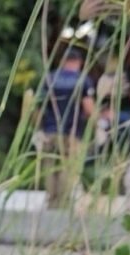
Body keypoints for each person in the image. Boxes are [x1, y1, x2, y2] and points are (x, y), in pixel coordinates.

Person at [37, 48, 95, 209]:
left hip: (49, 132)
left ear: (63, 61)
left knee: (49, 167)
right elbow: (89, 108)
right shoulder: (82, 80)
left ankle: (51, 202)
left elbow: (38, 108)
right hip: (71, 133)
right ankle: (63, 203)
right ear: (78, 62)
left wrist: (40, 128)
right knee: (68, 168)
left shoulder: (49, 78)